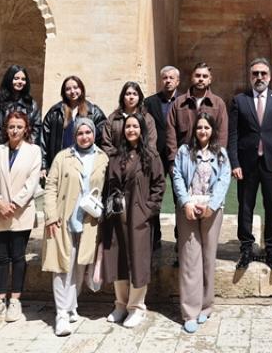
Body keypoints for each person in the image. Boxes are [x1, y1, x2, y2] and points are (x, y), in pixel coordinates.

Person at [42, 117, 109, 336]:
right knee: (62, 266)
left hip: (90, 222)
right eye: (80, 133)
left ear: (94, 134)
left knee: (80, 266)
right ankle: (61, 313)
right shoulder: (63, 157)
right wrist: (51, 216)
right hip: (64, 220)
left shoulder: (102, 158)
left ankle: (71, 305)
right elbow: (51, 186)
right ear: (74, 136)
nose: (84, 137)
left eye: (88, 132)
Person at [227, 58, 272, 270]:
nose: (259, 77)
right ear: (250, 76)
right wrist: (234, 163)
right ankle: (246, 247)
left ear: (269, 76)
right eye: (255, 73)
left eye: (263, 73)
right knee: (245, 206)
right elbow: (233, 135)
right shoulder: (240, 100)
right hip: (246, 163)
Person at [100, 113, 164, 328]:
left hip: (139, 216)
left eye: (135, 126)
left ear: (141, 129)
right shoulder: (116, 156)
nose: (131, 130)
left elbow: (159, 185)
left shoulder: (151, 155)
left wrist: (148, 210)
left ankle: (136, 307)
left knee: (138, 260)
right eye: (128, 126)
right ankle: (120, 304)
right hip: (116, 216)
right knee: (117, 258)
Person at [0, 107, 43, 323]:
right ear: (6, 129)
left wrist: (15, 203)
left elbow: (32, 181)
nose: (15, 130)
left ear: (26, 129)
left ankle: (15, 300)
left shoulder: (34, 151)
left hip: (20, 212)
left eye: (19, 127)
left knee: (18, 256)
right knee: (1, 257)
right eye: (11, 127)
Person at [173, 112, 232, 334]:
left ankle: (206, 306)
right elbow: (177, 176)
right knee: (190, 258)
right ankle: (190, 311)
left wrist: (212, 205)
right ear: (194, 130)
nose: (203, 131)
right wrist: (186, 202)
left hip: (211, 210)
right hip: (188, 209)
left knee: (208, 257)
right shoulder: (184, 151)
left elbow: (224, 179)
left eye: (207, 128)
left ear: (212, 130)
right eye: (199, 127)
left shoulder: (220, 153)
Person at [40, 76, 107, 178]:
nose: (72, 91)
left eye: (75, 87)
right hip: (61, 166)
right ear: (63, 92)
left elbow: (104, 132)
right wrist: (43, 165)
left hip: (85, 165)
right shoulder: (55, 112)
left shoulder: (93, 111)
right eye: (68, 89)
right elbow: (43, 139)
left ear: (81, 89)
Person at [143, 65, 180, 248]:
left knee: (179, 196)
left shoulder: (183, 101)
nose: (168, 81)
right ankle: (154, 236)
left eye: (171, 78)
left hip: (177, 155)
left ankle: (180, 236)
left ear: (177, 81)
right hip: (155, 155)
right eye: (165, 78)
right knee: (154, 194)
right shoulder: (150, 102)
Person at [0, 65, 42, 159]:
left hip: (24, 153)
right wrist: (9, 146)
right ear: (9, 79)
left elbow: (36, 129)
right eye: (16, 78)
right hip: (2, 151)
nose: (20, 82)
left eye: (23, 79)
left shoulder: (32, 104)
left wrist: (24, 147)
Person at [102, 81, 158, 156]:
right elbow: (106, 144)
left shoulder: (147, 118)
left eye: (135, 94)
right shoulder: (113, 118)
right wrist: (117, 157)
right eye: (128, 94)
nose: (131, 97)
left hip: (142, 160)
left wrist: (139, 158)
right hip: (118, 159)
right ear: (123, 97)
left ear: (139, 97)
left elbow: (151, 143)